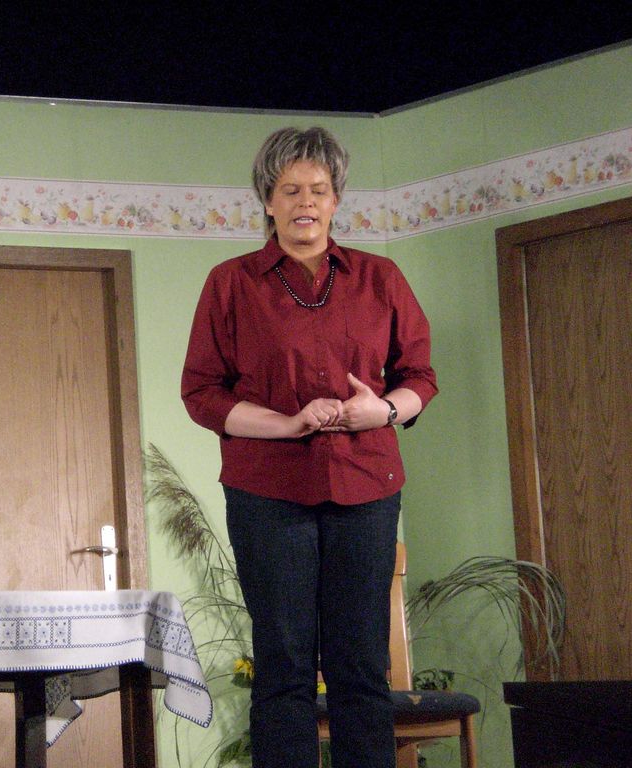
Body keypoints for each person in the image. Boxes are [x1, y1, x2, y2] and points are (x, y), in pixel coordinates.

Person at [181, 126, 438, 768]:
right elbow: (202, 394)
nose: (305, 202)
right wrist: (288, 424)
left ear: (335, 199)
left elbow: (420, 377)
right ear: (267, 201)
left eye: (318, 190)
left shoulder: (381, 278)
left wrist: (380, 410)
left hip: (366, 487)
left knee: (361, 666)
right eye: (290, 190)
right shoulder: (229, 284)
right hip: (268, 493)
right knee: (284, 665)